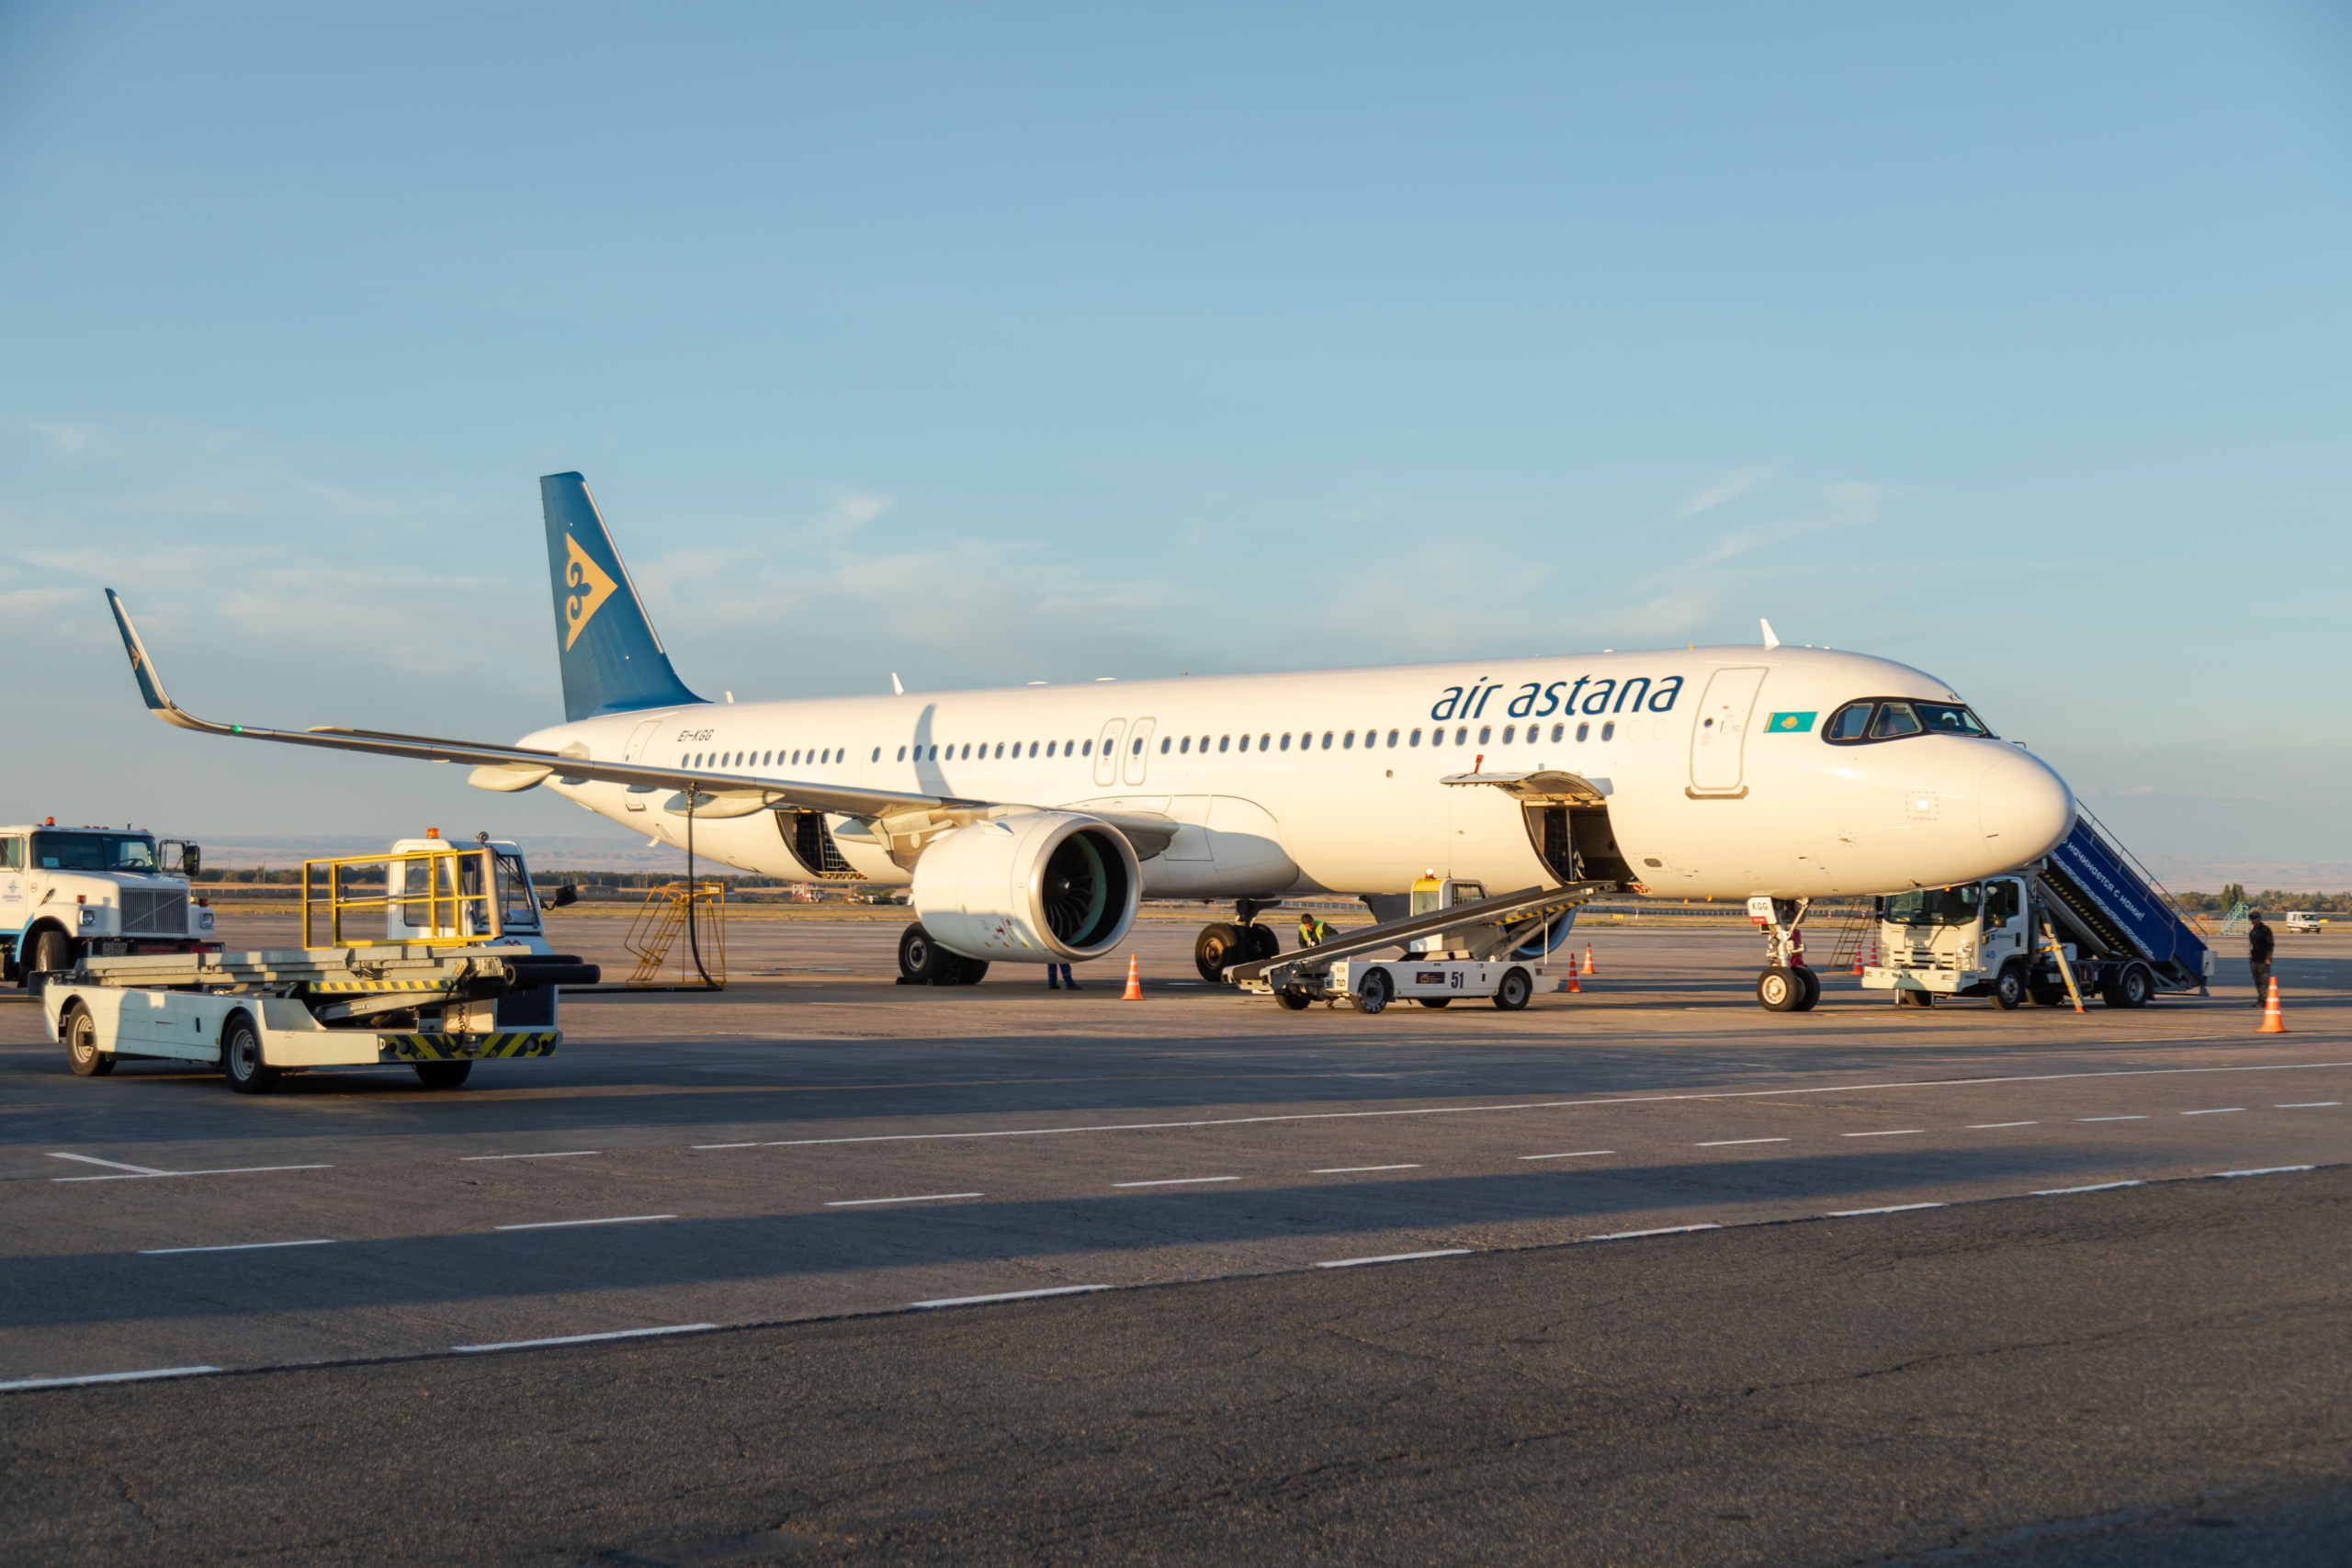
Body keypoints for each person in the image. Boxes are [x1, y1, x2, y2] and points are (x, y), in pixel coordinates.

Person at [2247, 910, 2274, 1008]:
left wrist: (2268, 958)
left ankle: (2264, 1000)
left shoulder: (2265, 930)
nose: (2253, 920)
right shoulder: (2253, 931)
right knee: (2257, 981)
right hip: (2254, 959)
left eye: (2255, 918)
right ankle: (2261, 998)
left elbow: (2270, 944)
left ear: (2259, 918)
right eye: (2251, 918)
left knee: (2264, 981)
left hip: (2263, 960)